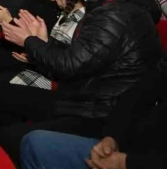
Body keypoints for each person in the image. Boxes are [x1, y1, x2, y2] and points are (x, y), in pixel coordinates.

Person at [0, 0, 163, 162]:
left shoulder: (116, 14)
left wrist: (30, 41)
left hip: (98, 111)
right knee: (2, 93)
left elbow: (69, 67)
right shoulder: (120, 7)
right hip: (87, 97)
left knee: (11, 137)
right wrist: (44, 42)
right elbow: (81, 56)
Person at [20, 54, 167, 169]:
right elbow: (137, 96)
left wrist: (128, 163)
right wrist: (112, 137)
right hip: (126, 146)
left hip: (140, 160)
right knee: (33, 144)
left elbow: (71, 64)